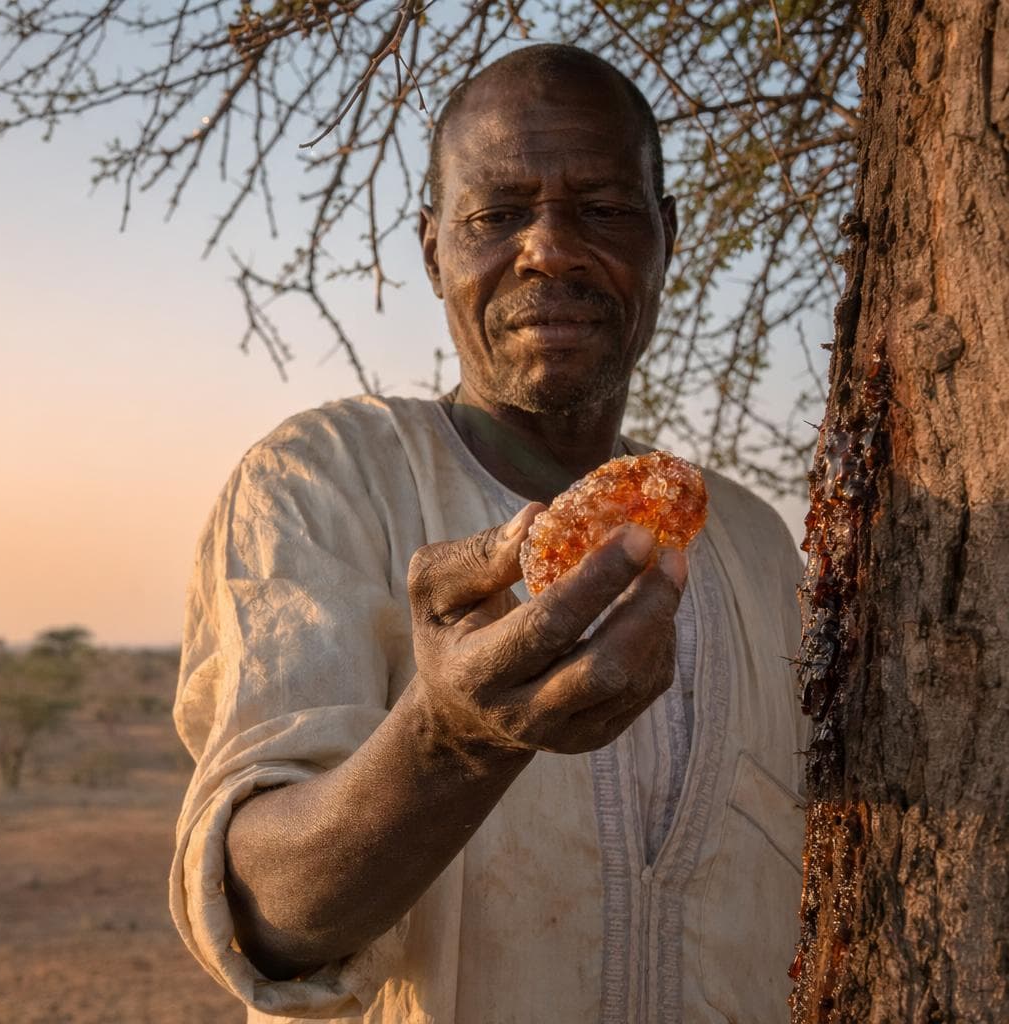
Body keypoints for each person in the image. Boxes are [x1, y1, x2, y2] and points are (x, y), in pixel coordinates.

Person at [170, 43, 807, 1024]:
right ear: (434, 251)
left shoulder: (757, 547)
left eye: (600, 209)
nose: (548, 249)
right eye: (497, 214)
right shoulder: (324, 482)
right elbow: (263, 919)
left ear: (665, 237)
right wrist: (450, 740)